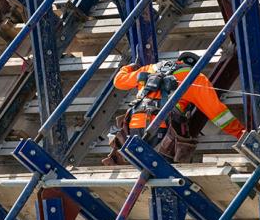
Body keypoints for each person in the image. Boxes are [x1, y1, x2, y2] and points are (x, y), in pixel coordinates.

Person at [104, 51, 246, 165]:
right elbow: (217, 113)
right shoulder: (195, 77)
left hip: (132, 129)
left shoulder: (151, 69)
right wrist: (241, 133)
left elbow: (119, 82)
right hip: (163, 133)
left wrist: (129, 67)